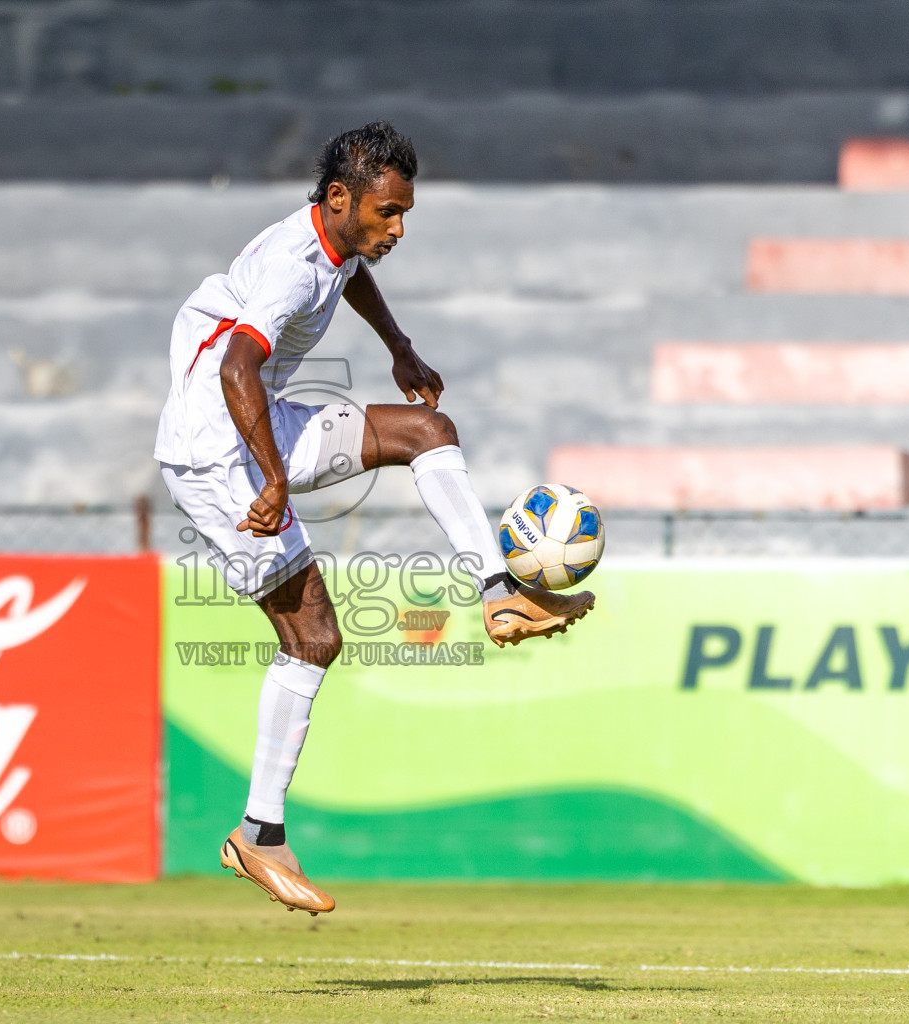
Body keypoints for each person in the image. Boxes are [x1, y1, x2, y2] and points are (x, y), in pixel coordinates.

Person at [154, 121, 593, 914]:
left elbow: (348, 271)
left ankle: (499, 590)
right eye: (387, 214)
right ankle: (258, 834)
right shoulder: (289, 268)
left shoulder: (334, 240)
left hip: (258, 420)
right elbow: (236, 362)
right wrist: (275, 479)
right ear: (339, 197)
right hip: (214, 453)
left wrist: (398, 344)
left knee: (428, 431)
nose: (397, 231)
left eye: (404, 215)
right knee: (314, 637)